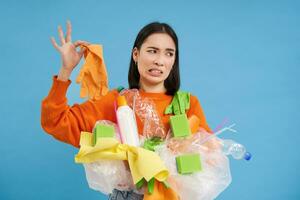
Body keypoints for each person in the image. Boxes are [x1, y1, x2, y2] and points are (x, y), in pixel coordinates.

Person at [41, 21, 211, 200]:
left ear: (174, 60)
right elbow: (55, 121)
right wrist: (66, 70)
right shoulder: (117, 102)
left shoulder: (187, 104)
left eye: (169, 53)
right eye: (152, 51)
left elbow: (209, 156)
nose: (159, 61)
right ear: (136, 54)